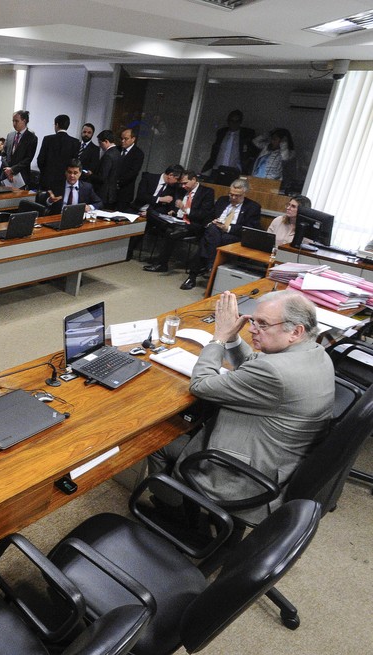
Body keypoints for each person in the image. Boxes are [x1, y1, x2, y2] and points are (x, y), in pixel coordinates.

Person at [148, 289, 334, 523]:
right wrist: (233, 338)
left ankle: (174, 516)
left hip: (245, 477)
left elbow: (200, 385)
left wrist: (219, 338)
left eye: (263, 324)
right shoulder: (314, 352)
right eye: (253, 321)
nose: (252, 329)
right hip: (281, 462)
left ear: (295, 331)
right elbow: (254, 365)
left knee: (156, 442)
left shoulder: (275, 372)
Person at [181, 178, 261, 290]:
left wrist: (228, 228)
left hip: (232, 235)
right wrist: (211, 222)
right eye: (231, 194)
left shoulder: (253, 207)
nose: (233, 198)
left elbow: (249, 229)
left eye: (237, 196)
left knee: (207, 241)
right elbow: (208, 216)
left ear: (245, 194)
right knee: (212, 231)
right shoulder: (223, 200)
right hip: (214, 231)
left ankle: (194, 275)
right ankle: (211, 266)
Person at [143, 170, 215, 273]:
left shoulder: (207, 192)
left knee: (170, 232)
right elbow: (174, 205)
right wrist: (173, 211)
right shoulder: (181, 190)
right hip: (177, 220)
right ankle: (160, 259)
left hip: (193, 224)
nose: (183, 186)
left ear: (194, 179)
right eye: (181, 184)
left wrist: (184, 209)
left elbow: (204, 214)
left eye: (185, 183)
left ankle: (161, 264)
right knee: (151, 213)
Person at [36, 114, 82, 196]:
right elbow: (74, 164)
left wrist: (46, 172)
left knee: (45, 200)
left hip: (47, 180)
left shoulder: (48, 139)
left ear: (56, 125)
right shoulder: (75, 142)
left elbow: (40, 160)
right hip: (65, 181)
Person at [202, 109, 258, 175]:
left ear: (240, 122)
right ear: (228, 121)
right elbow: (214, 152)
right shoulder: (222, 133)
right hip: (217, 169)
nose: (234, 124)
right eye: (232, 121)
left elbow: (253, 152)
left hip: (235, 171)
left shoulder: (246, 135)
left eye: (237, 121)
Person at [3, 110, 37, 187]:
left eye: (16, 121)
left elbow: (28, 158)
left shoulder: (32, 138)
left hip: (21, 176)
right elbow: (3, 154)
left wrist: (12, 170)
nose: (14, 124)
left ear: (24, 121)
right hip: (6, 175)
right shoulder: (10, 135)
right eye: (13, 121)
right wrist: (7, 169)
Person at [91, 129, 121, 209]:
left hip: (103, 193)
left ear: (106, 141)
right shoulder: (118, 153)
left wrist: (91, 175)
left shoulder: (108, 155)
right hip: (112, 193)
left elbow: (102, 177)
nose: (100, 145)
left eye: (100, 143)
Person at [116, 127, 144, 211]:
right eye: (121, 138)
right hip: (110, 192)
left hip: (124, 192)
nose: (122, 141)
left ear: (133, 139)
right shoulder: (116, 149)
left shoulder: (138, 153)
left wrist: (118, 182)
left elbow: (133, 172)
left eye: (126, 139)